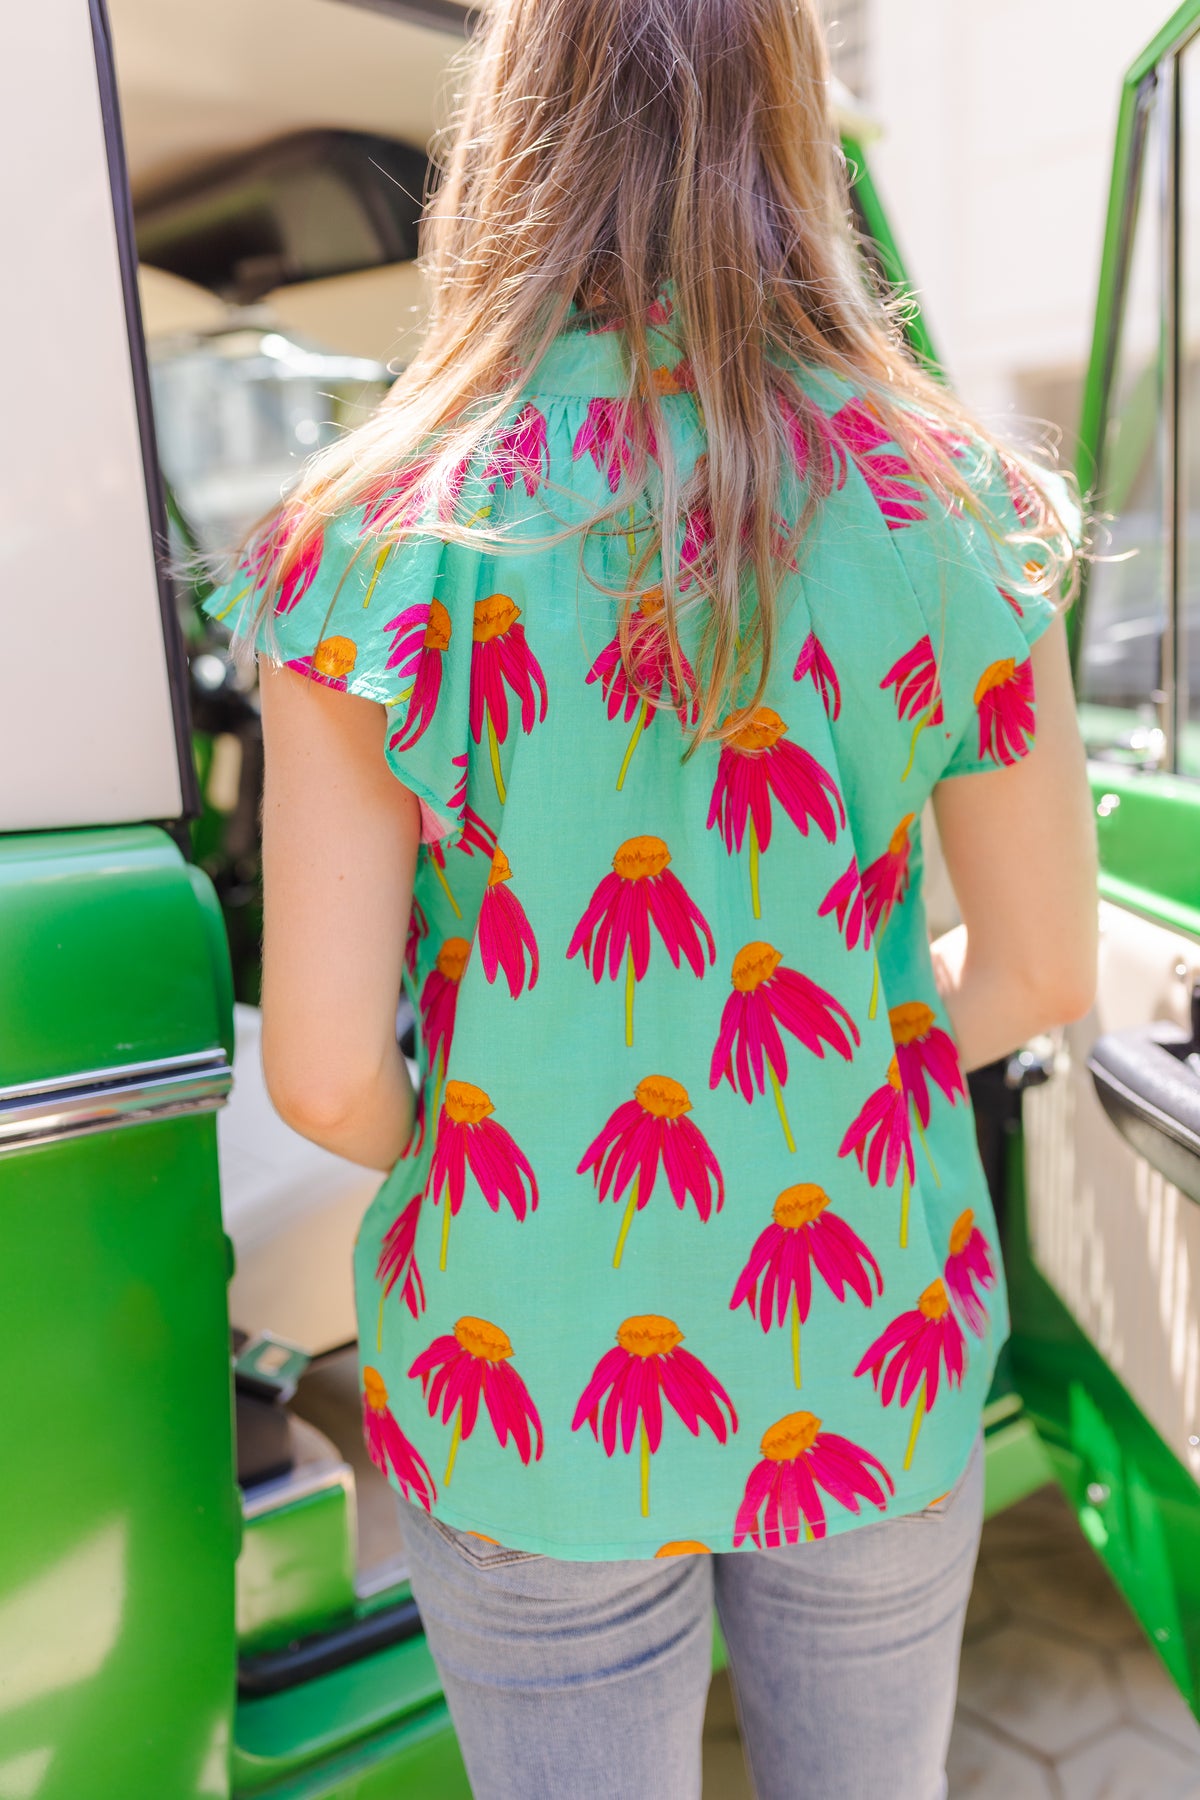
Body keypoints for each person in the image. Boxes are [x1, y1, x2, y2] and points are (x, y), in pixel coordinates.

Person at [203, 1, 1098, 1792]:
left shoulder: (374, 534)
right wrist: (829, 1092)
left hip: (521, 1364)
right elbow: (1043, 968)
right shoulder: (952, 506)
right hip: (872, 1335)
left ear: (508, 130)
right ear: (796, 131)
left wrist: (522, 1138)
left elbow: (320, 1074)